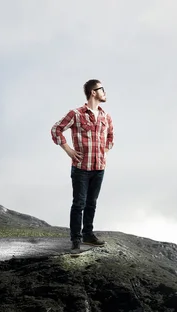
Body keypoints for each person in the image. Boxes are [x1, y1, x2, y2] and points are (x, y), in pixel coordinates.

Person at [50, 79, 114, 251]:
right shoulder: (76, 114)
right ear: (93, 92)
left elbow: (110, 138)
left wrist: (103, 152)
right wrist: (68, 150)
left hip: (99, 168)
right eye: (102, 89)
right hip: (81, 168)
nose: (105, 92)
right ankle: (76, 240)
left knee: (92, 203)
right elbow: (56, 129)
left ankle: (88, 235)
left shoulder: (106, 116)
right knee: (79, 203)